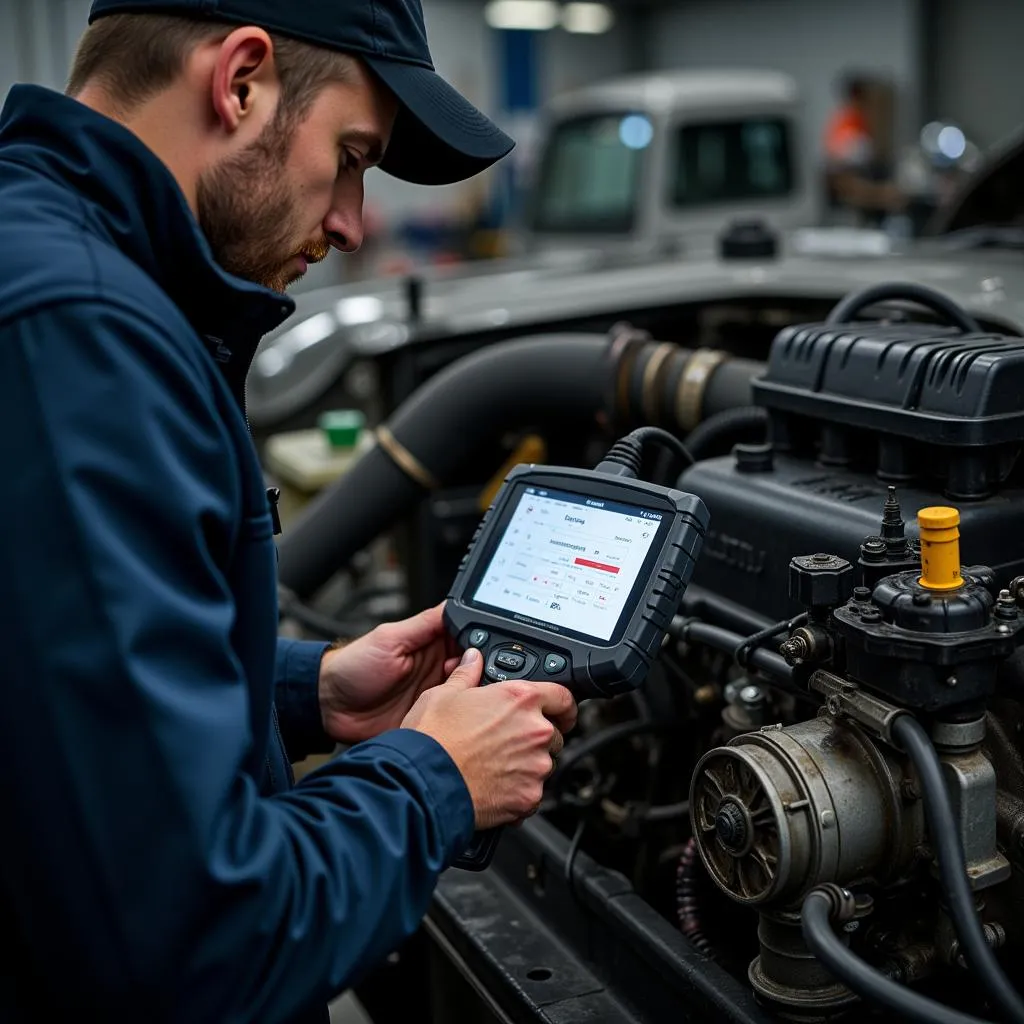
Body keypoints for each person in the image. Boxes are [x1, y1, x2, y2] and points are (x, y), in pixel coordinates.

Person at [0, 2, 578, 1022]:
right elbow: (190, 940)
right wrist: (435, 778)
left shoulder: (51, 272)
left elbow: (47, 693)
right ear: (242, 81)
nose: (355, 220)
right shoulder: (81, 338)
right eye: (352, 156)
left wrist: (305, 694)